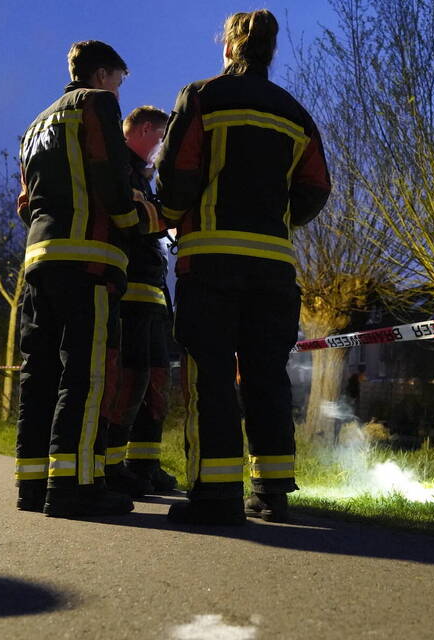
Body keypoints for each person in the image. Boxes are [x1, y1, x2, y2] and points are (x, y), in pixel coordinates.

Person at [155, 9, 331, 524]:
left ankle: (216, 496)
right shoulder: (296, 113)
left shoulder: (202, 95)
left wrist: (167, 218)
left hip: (210, 259)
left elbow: (177, 171)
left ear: (229, 47)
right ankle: (273, 491)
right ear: (269, 52)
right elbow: (317, 186)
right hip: (273, 265)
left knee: (209, 373)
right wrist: (277, 221)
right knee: (265, 374)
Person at [14, 41, 165, 518]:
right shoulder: (95, 104)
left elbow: (25, 202)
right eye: (120, 80)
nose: (120, 89)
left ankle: (32, 484)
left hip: (40, 257)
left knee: (39, 372)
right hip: (91, 260)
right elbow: (109, 174)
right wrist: (138, 218)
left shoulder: (35, 125)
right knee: (86, 372)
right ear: (103, 75)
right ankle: (73, 486)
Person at [104, 105, 179, 495]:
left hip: (152, 296)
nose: (162, 146)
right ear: (145, 129)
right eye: (161, 137)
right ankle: (113, 466)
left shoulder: (141, 177)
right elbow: (135, 224)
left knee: (155, 382)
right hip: (131, 295)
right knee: (129, 381)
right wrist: (167, 214)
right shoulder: (121, 170)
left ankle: (144, 465)